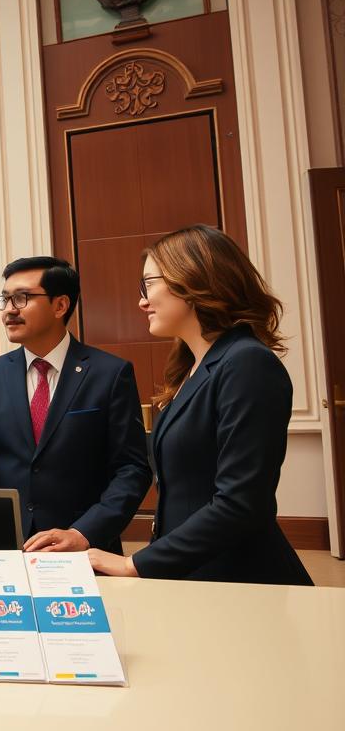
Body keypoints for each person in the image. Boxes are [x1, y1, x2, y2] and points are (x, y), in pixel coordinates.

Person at [89, 225, 313, 585]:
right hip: (193, 568)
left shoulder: (247, 363)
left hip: (238, 576)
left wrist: (134, 564)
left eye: (149, 284)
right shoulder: (192, 367)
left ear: (191, 280)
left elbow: (241, 504)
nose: (142, 301)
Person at [0, 256, 152, 554]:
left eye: (22, 298)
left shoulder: (110, 373)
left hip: (83, 549)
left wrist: (84, 532)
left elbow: (132, 468)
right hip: (6, 547)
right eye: (5, 299)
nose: (9, 311)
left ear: (60, 305)